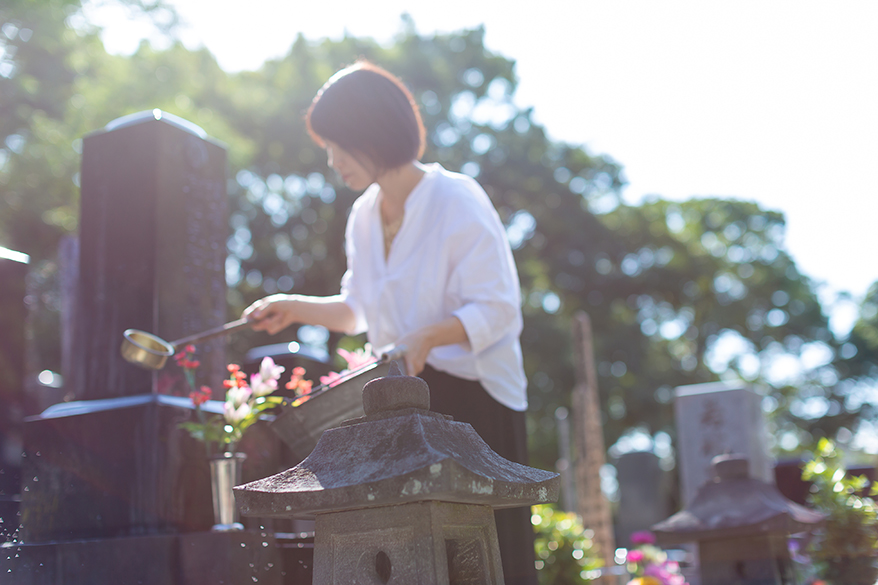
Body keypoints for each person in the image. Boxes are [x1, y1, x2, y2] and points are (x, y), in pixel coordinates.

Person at [244, 60, 536, 585]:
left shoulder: (456, 199)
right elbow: (358, 307)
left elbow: (498, 309)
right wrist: (293, 305)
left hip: (474, 403)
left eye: (337, 145)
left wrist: (427, 337)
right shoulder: (362, 214)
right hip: (404, 400)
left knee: (483, 563)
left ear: (370, 134)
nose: (332, 161)